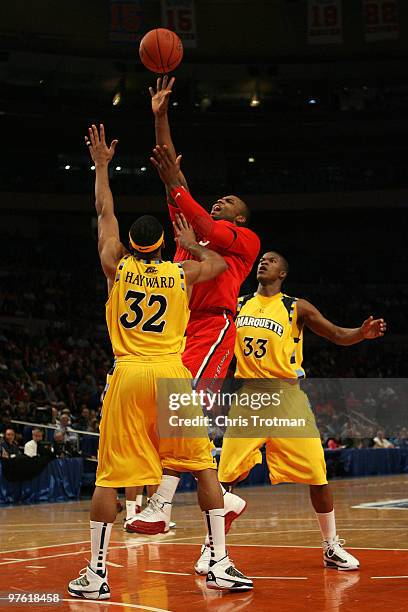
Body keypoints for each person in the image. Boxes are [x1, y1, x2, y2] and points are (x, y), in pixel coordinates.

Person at [67, 124, 253, 600]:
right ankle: (221, 562)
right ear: (162, 247)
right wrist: (191, 245)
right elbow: (216, 266)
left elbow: (103, 209)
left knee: (109, 478)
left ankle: (96, 573)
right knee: (204, 469)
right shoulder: (182, 273)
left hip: (129, 373)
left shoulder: (116, 263)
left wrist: (103, 165)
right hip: (172, 371)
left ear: (130, 243)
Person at [196, 251, 386, 574]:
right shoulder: (239, 303)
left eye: (271, 260)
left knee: (318, 474)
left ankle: (331, 546)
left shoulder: (295, 306)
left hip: (287, 398)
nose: (264, 262)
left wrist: (360, 334)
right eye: (262, 260)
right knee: (224, 478)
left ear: (283, 273)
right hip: (250, 398)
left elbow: (335, 334)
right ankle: (212, 549)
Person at [132, 76, 260, 532]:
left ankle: (162, 506)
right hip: (179, 331)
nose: (219, 201)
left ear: (239, 217)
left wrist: (180, 193)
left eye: (228, 201)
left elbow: (205, 226)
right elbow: (174, 178)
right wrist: (161, 117)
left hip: (215, 327)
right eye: (217, 200)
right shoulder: (192, 232)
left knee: (184, 411)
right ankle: (222, 499)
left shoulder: (242, 241)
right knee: (173, 414)